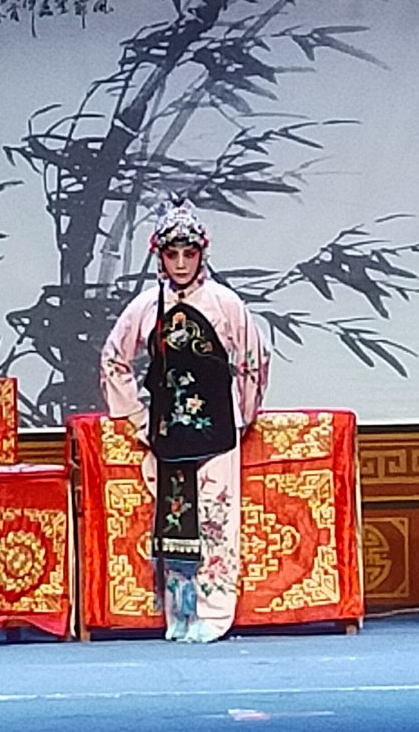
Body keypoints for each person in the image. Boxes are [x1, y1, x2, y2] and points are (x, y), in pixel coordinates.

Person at [100, 199, 269, 642]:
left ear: (201, 254)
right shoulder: (145, 306)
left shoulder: (225, 303)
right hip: (167, 431)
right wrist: (136, 415)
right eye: (171, 253)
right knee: (175, 522)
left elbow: (254, 357)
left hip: (216, 430)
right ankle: (179, 612)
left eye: (188, 253)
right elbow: (114, 358)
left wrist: (244, 414)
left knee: (215, 519)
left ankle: (212, 614)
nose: (179, 263)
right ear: (159, 255)